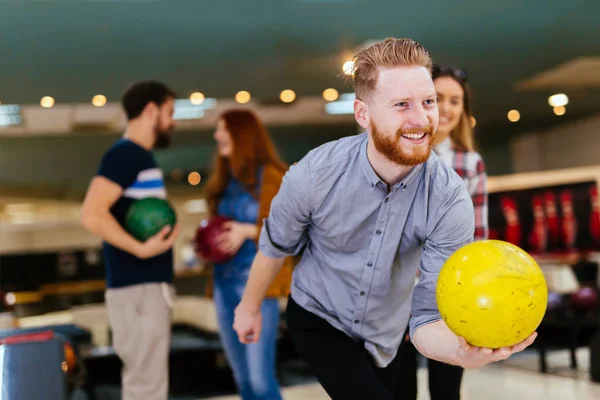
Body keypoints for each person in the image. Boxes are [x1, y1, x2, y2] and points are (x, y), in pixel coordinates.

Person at [231, 38, 536, 400]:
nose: (421, 119)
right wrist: (249, 309)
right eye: (402, 105)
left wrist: (459, 352)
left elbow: (426, 315)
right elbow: (275, 244)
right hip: (320, 316)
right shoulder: (315, 173)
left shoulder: (449, 196)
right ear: (363, 114)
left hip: (388, 331)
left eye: (427, 102)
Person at [81, 80, 180, 400]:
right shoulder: (126, 155)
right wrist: (141, 249)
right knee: (146, 386)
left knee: (147, 384)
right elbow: (92, 214)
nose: (172, 122)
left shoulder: (139, 157)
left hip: (144, 288)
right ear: (151, 110)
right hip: (139, 288)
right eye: (169, 112)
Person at [394, 64, 489, 400]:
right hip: (398, 293)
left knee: (447, 390)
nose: (446, 109)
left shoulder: (470, 163)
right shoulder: (397, 154)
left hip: (451, 293)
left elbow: (477, 238)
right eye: (438, 98)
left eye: (455, 101)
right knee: (399, 387)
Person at [202, 109, 292, 400]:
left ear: (241, 134)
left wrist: (245, 230)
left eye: (223, 129)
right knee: (242, 379)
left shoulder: (272, 176)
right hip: (223, 284)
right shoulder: (225, 180)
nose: (217, 136)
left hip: (257, 287)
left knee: (260, 379)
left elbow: (288, 231)